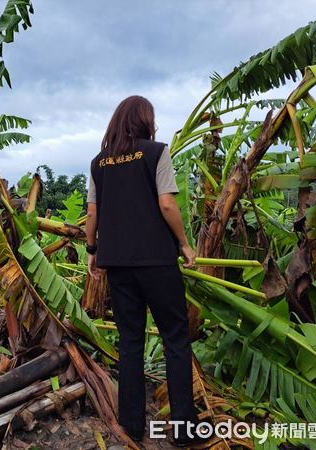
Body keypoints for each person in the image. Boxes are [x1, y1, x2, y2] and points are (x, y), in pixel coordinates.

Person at [85, 95, 200, 447]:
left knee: (131, 343)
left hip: (118, 264)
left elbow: (93, 213)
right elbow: (167, 202)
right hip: (157, 263)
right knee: (176, 340)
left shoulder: (98, 163)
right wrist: (184, 243)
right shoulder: (155, 152)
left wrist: (92, 250)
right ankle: (183, 431)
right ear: (145, 121)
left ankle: (133, 427)